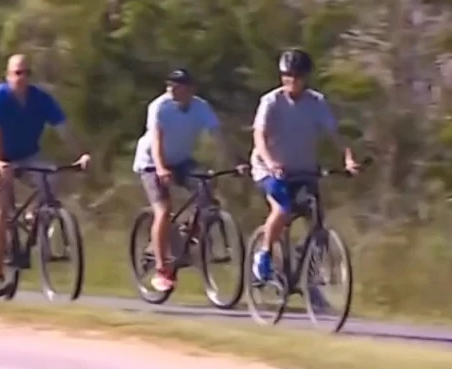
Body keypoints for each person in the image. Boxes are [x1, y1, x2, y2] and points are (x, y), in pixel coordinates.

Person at [0, 54, 89, 295]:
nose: (22, 78)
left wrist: (81, 153)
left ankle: (33, 216)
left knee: (51, 178)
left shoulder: (40, 99)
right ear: (8, 75)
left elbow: (63, 128)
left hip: (26, 153)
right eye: (17, 73)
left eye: (26, 73)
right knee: (0, 209)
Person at [249, 48, 359, 287]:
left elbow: (335, 134)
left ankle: (308, 267)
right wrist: (270, 163)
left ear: (305, 77)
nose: (290, 80)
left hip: (303, 169)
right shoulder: (271, 101)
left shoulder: (316, 102)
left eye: (296, 76)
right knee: (282, 210)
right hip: (269, 169)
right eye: (286, 75)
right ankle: (264, 255)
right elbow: (259, 135)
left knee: (317, 217)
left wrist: (348, 158)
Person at [132, 68, 234, 292]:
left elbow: (218, 137)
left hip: (181, 160)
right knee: (163, 209)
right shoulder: (160, 106)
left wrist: (232, 163)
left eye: (177, 86)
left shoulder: (201, 107)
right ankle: (162, 269)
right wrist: (160, 168)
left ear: (191, 89)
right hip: (151, 162)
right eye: (170, 85)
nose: (172, 90)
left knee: (207, 189)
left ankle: (188, 234)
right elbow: (157, 140)